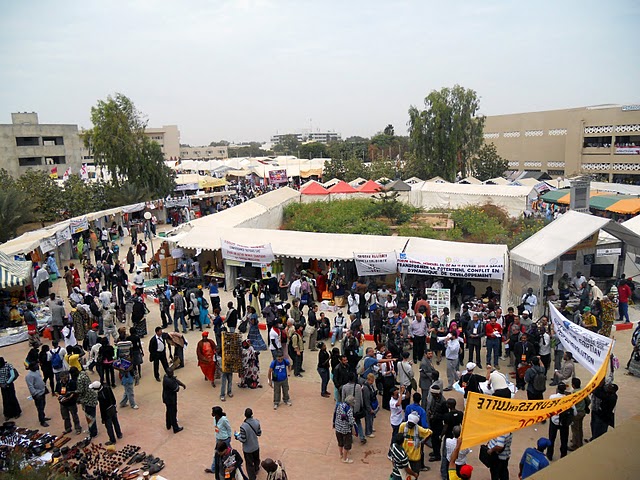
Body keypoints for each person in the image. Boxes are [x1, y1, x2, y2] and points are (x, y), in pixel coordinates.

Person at [546, 382, 575, 461]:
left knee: (551, 438)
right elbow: (574, 412)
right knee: (564, 440)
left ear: (557, 389)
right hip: (564, 423)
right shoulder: (568, 399)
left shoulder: (552, 397)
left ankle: (549, 455)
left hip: (554, 421)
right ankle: (563, 455)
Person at [91, 381, 122, 445]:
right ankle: (119, 434)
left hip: (107, 411)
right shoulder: (107, 388)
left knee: (109, 426)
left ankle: (112, 440)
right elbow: (113, 397)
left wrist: (103, 418)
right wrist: (114, 404)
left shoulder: (100, 395)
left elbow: (102, 408)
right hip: (112, 407)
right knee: (115, 422)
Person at [205, 406, 233, 475]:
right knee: (217, 454)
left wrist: (229, 438)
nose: (212, 414)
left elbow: (229, 428)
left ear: (217, 414)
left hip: (224, 440)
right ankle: (213, 468)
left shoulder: (223, 420)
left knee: (228, 453)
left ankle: (233, 466)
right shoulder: (215, 419)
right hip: (218, 439)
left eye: (213, 413)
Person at [236, 408, 262, 480]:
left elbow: (243, 439)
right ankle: (256, 469)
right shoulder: (257, 422)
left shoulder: (243, 426)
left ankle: (252, 477)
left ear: (245, 415)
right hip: (255, 446)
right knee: (256, 459)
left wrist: (237, 437)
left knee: (249, 464)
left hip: (248, 449)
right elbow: (259, 433)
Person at [55, 368, 82, 434]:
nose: (64, 380)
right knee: (65, 417)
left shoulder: (72, 382)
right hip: (63, 403)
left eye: (65, 378)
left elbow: (75, 392)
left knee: (74, 416)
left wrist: (68, 398)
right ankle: (68, 428)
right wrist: (59, 396)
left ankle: (78, 428)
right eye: (62, 379)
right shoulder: (59, 383)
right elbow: (56, 392)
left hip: (71, 403)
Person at [333, 394, 356, 464]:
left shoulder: (339, 405)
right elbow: (351, 421)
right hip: (346, 430)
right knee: (347, 444)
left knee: (340, 442)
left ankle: (341, 454)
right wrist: (354, 429)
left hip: (338, 428)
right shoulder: (349, 409)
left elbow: (335, 414)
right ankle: (345, 458)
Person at [427, 384, 447, 463]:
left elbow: (444, 415)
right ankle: (435, 452)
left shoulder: (443, 401)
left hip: (438, 423)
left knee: (437, 439)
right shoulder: (434, 398)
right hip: (433, 422)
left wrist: (435, 416)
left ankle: (437, 455)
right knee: (433, 438)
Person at [25, 361, 50, 427]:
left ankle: (43, 417)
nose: (37, 366)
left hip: (42, 391)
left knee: (43, 405)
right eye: (36, 365)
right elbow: (30, 386)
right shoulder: (29, 376)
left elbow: (40, 380)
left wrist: (44, 387)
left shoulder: (37, 371)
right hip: (37, 394)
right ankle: (42, 421)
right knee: (40, 408)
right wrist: (35, 394)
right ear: (32, 367)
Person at [162, 367, 185, 434]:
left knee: (168, 411)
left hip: (166, 398)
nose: (173, 374)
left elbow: (175, 379)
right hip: (170, 399)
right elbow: (176, 389)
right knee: (173, 412)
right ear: (169, 373)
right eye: (171, 373)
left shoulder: (166, 377)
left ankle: (168, 425)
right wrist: (178, 385)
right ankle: (175, 428)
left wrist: (182, 384)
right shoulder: (169, 381)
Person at [568, 377, 590, 451]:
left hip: (576, 413)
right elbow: (588, 401)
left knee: (575, 429)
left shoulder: (574, 393)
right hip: (582, 412)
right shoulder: (583, 391)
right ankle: (578, 441)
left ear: (573, 385)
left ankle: (576, 444)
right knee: (579, 428)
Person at [76, 368, 98, 437]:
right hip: (92, 398)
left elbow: (80, 391)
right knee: (92, 416)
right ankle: (92, 430)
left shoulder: (79, 379)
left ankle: (92, 432)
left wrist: (77, 398)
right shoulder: (84, 374)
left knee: (89, 417)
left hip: (87, 401)